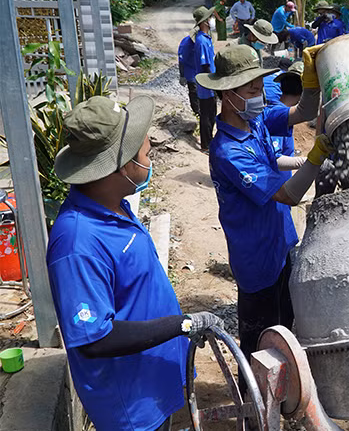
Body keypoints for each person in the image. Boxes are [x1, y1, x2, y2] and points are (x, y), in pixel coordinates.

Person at [47, 95, 224, 431]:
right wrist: (182, 325)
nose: (150, 159)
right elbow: (95, 338)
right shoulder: (77, 243)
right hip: (132, 407)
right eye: (145, 153)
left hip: (151, 382)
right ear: (121, 166)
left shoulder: (115, 205)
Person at [196, 44, 330, 377]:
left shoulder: (253, 121)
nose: (259, 95)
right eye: (252, 90)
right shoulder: (228, 152)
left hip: (280, 241)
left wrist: (311, 79)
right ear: (228, 94)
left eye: (260, 88)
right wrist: (316, 157)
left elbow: (302, 111)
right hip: (256, 257)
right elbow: (288, 194)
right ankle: (253, 401)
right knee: (259, 342)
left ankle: (281, 391)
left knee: (285, 325)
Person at [264, 62, 307, 184]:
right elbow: (275, 159)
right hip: (274, 189)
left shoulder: (279, 111)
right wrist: (309, 162)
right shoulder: (278, 117)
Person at [194, 6, 217, 151]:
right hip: (206, 84)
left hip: (209, 83)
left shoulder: (206, 39)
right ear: (204, 22)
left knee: (212, 113)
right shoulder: (201, 41)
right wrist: (213, 81)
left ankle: (209, 139)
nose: (211, 20)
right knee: (207, 115)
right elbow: (205, 65)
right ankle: (206, 144)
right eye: (209, 18)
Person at [178, 29, 199, 116]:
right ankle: (196, 112)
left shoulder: (204, 41)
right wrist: (182, 75)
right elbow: (181, 60)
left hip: (200, 69)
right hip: (190, 70)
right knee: (194, 91)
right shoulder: (186, 44)